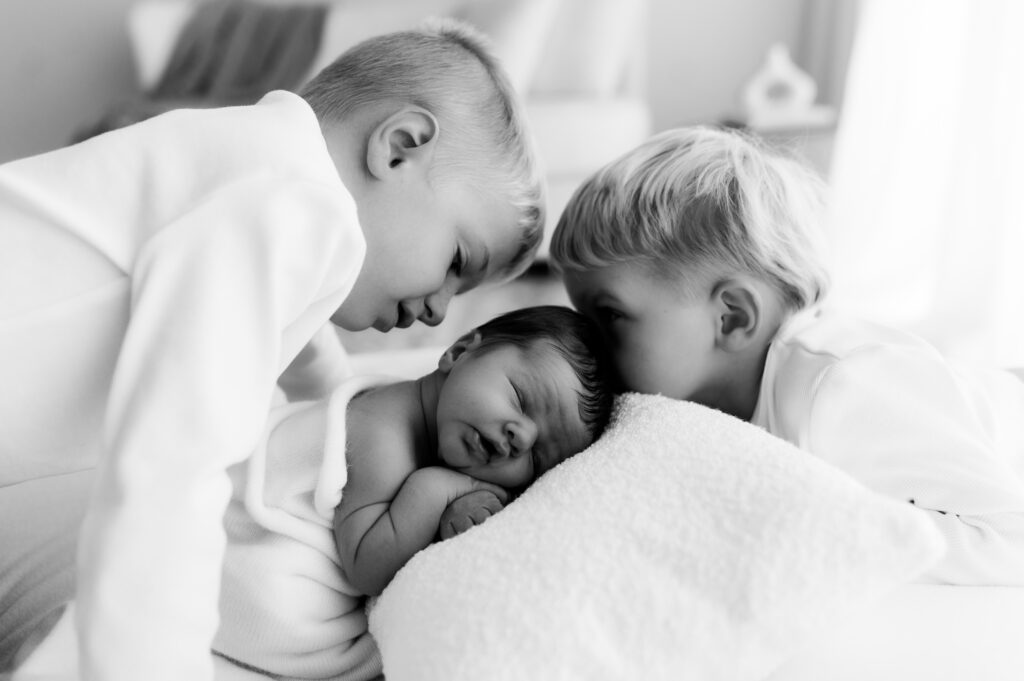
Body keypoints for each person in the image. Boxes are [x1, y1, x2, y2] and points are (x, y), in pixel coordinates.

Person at [0, 21, 544, 679]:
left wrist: (347, 398)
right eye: (458, 260)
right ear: (400, 147)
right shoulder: (295, 205)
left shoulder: (262, 180)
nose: (439, 306)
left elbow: (295, 347)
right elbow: (174, 455)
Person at [549, 126, 1024, 586]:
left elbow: (1008, 539)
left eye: (608, 315)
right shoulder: (696, 409)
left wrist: (817, 529)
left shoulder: (843, 384)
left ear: (732, 318)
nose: (584, 340)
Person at [213, 305, 615, 678]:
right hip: (235, 555)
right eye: (521, 399)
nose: (520, 436)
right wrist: (434, 489)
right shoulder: (382, 428)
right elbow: (367, 565)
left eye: (539, 457)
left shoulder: (434, 421)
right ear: (458, 352)